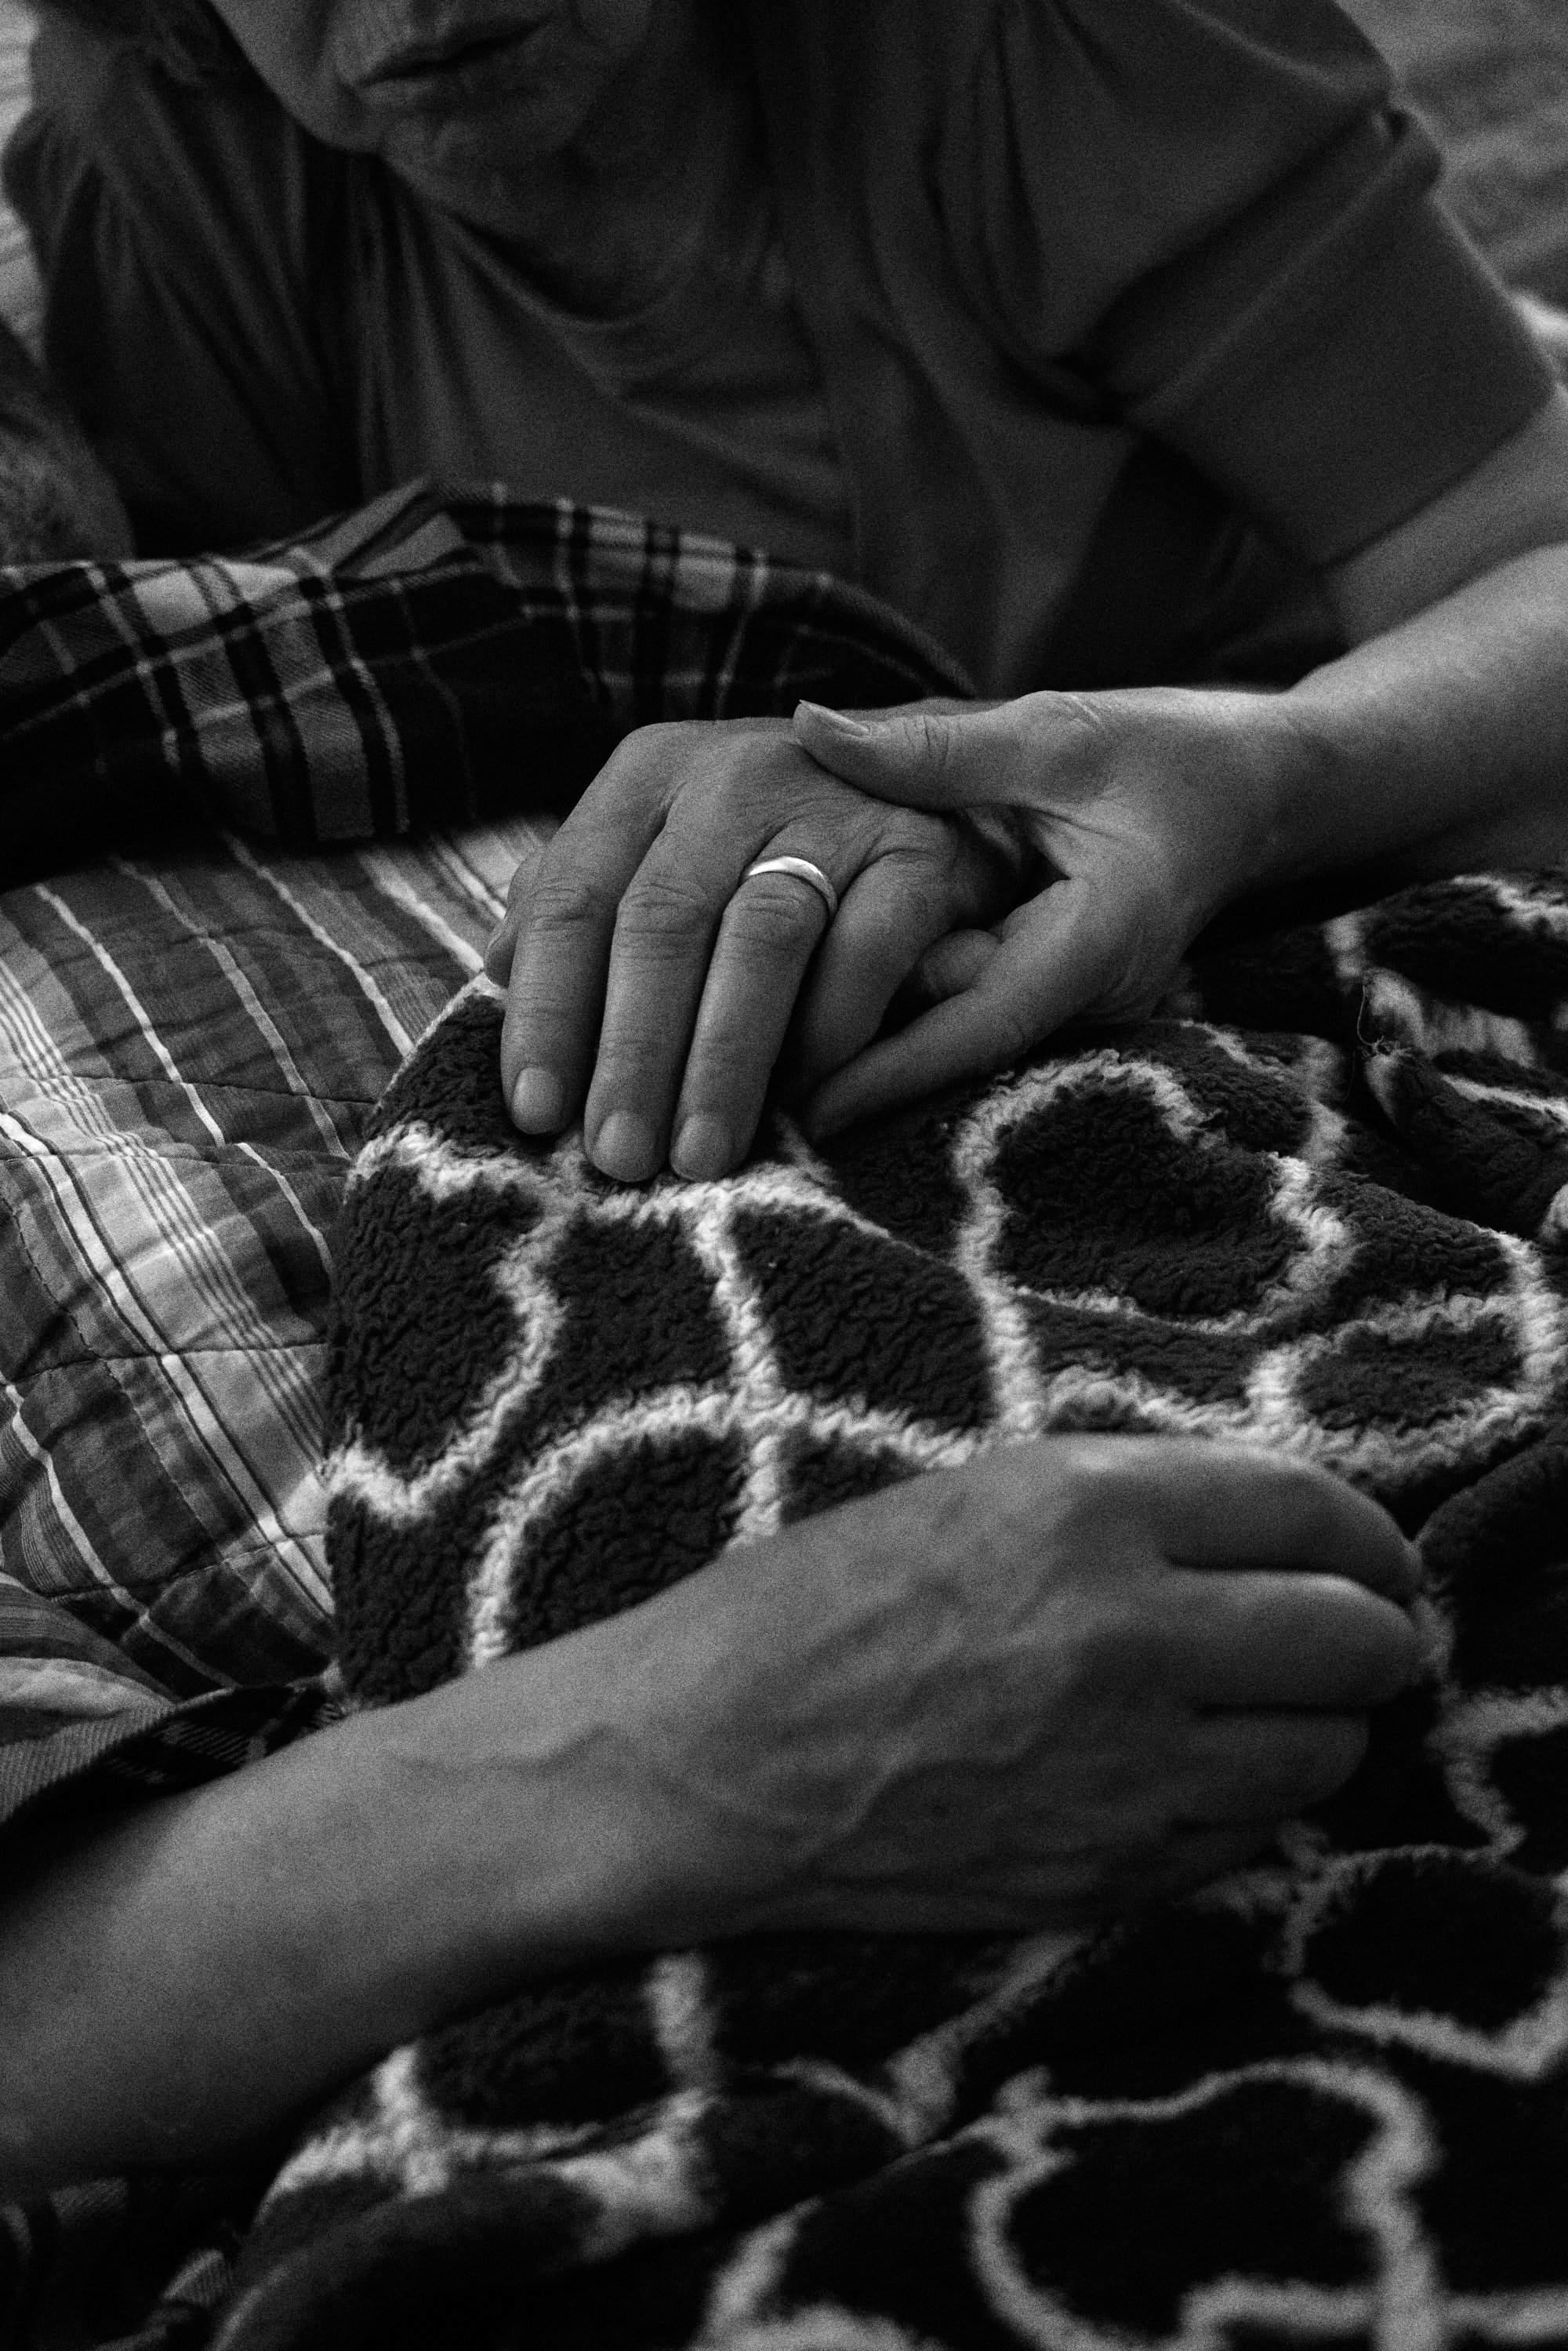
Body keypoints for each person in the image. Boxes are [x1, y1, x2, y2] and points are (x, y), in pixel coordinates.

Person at [0, 0, 1548, 2198]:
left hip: (1266, 887)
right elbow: (324, 685)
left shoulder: (1057, 60)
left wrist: (1221, 777)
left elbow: (1530, 574)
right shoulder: (200, 163)